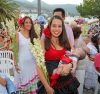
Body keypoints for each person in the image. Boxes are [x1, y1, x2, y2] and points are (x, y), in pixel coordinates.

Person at [36, 15, 80, 94]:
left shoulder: (67, 41)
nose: (57, 29)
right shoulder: (44, 42)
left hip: (67, 83)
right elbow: (38, 66)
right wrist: (47, 87)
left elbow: (75, 57)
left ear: (62, 28)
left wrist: (70, 65)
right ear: (49, 26)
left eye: (59, 26)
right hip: (51, 84)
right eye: (54, 26)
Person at [14, 16, 39, 94]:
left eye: (30, 22)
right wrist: (15, 64)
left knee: (34, 86)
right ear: (23, 24)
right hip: (22, 64)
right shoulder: (18, 34)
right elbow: (15, 50)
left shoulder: (34, 35)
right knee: (23, 85)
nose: (29, 24)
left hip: (33, 64)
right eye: (26, 22)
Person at [72, 27, 90, 94]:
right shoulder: (81, 42)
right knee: (80, 82)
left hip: (73, 64)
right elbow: (88, 50)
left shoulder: (71, 41)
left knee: (74, 81)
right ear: (79, 34)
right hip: (81, 65)